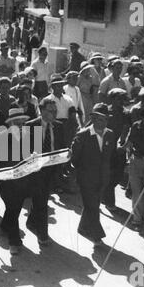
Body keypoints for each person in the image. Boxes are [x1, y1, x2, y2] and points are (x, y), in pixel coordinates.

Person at [71, 103, 116, 246]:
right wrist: (82, 173)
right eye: (99, 119)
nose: (102, 123)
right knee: (93, 207)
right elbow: (75, 158)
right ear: (94, 119)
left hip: (103, 178)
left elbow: (110, 155)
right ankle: (97, 236)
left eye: (105, 119)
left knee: (94, 204)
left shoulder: (110, 134)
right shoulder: (82, 135)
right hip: (86, 178)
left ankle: (83, 227)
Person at [25, 98, 65, 245]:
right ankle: (43, 234)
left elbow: (61, 146)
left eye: (55, 111)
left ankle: (31, 222)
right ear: (41, 111)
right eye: (50, 111)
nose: (54, 114)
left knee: (41, 199)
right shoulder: (30, 126)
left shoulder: (59, 126)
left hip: (52, 170)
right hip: (36, 170)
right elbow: (24, 150)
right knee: (41, 202)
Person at [0, 107, 31, 254]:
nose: (20, 124)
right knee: (13, 206)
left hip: (23, 180)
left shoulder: (28, 135)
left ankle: (4, 225)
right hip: (8, 180)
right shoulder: (2, 137)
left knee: (14, 208)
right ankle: (14, 242)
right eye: (17, 122)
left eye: (22, 121)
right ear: (10, 123)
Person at [101, 89, 131, 211]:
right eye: (119, 99)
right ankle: (109, 201)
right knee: (108, 175)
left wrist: (124, 144)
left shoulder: (125, 113)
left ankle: (105, 194)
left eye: (123, 99)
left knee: (117, 176)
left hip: (119, 148)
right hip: (106, 148)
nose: (121, 101)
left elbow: (128, 129)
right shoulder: (105, 111)